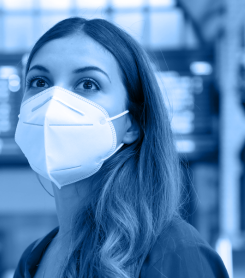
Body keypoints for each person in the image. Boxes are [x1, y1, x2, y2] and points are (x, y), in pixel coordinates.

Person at [13, 17, 229, 278]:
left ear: (132, 123)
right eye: (39, 82)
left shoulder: (175, 252)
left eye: (88, 84)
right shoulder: (34, 259)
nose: (53, 104)